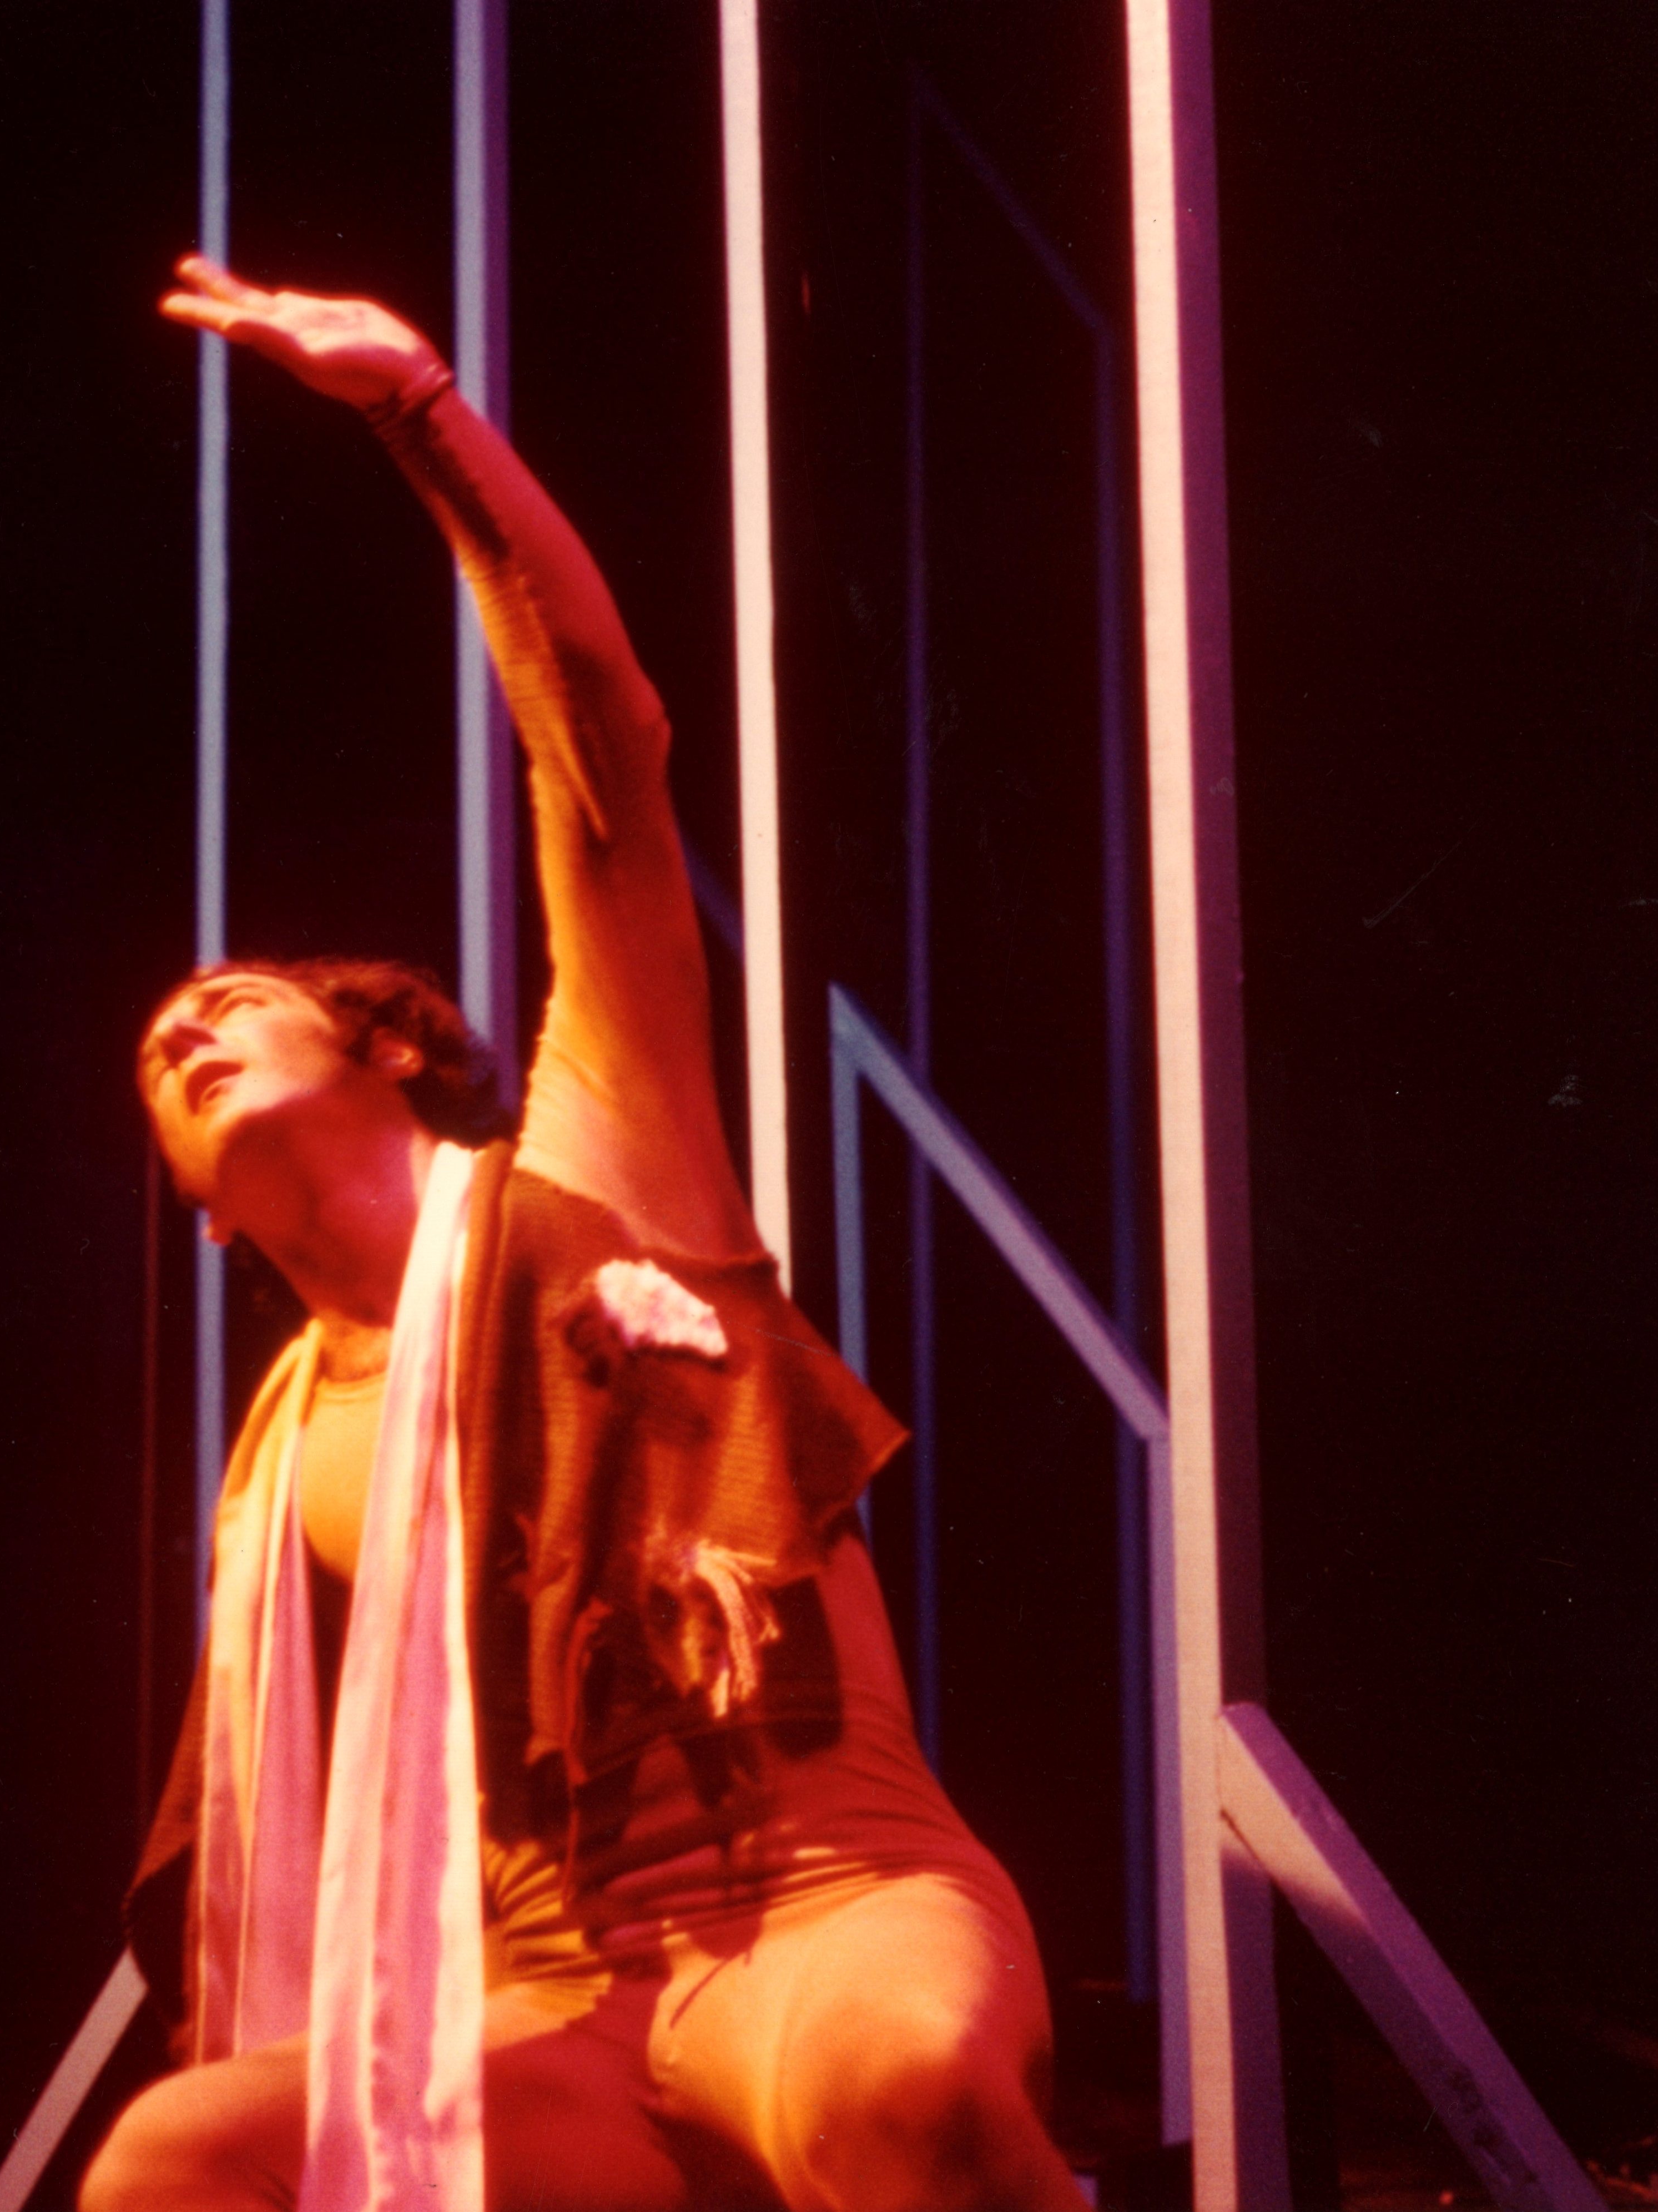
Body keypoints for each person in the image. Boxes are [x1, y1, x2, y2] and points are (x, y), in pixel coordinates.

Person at [89, 257, 1090, 2212]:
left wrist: (420, 417)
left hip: (820, 1900)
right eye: (157, 1054)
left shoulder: (596, 1163)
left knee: (910, 2095)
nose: (190, 1028)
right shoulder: (281, 1460)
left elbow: (605, 754)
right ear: (201, 1216)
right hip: (549, 1989)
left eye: (237, 1000)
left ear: (388, 1046)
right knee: (174, 2162)